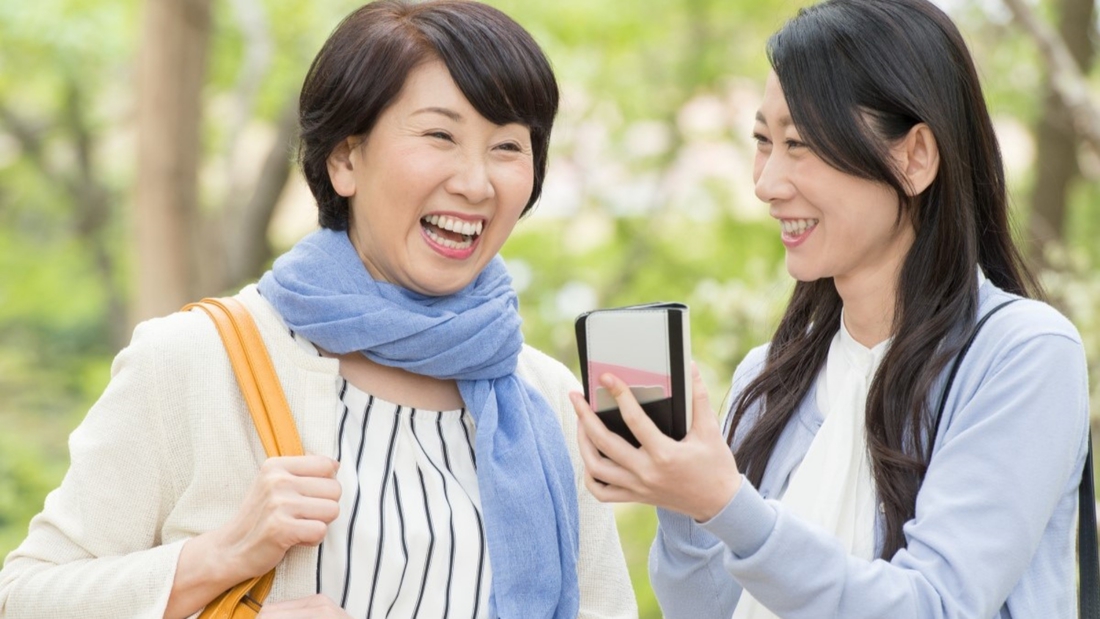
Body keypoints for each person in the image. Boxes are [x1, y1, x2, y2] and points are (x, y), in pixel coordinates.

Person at [0, 1, 637, 618]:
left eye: (508, 147)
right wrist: (221, 555)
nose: (476, 183)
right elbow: (25, 598)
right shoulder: (195, 359)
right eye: (440, 135)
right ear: (344, 159)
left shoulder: (546, 398)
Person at [570, 0, 1090, 617]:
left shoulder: (1020, 355)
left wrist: (724, 503)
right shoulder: (770, 379)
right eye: (763, 142)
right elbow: (710, 610)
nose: (766, 183)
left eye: (799, 143)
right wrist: (681, 494)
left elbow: (936, 605)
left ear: (914, 157)